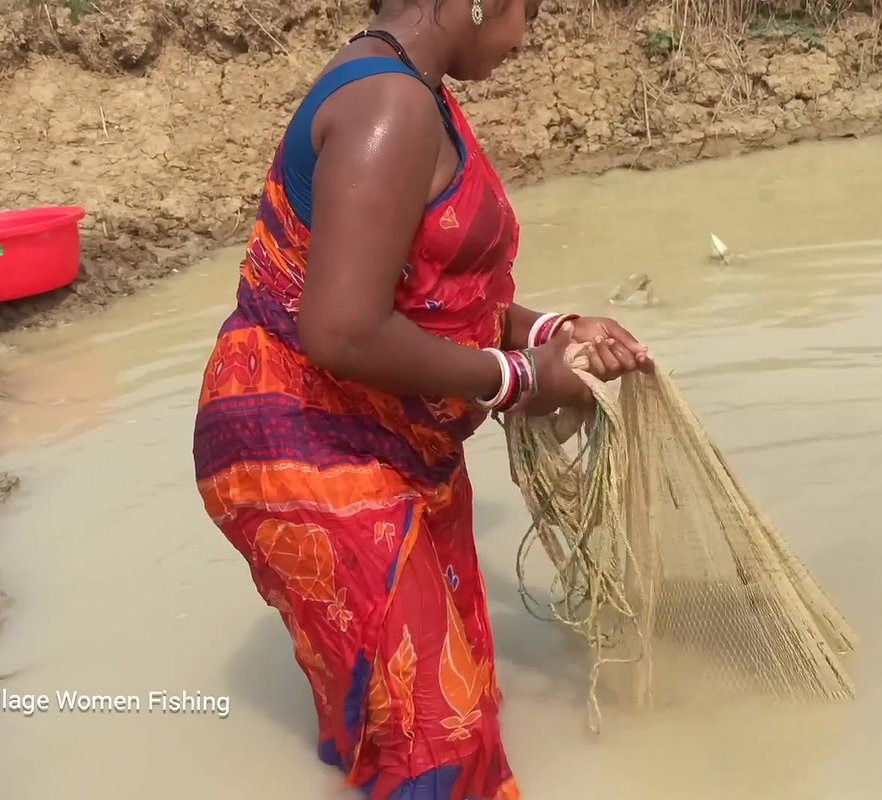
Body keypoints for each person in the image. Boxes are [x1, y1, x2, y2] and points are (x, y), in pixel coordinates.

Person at [189, 0, 651, 795]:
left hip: (384, 441)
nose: (524, 40)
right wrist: (521, 379)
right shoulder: (389, 109)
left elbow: (430, 299)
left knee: (409, 707)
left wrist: (558, 328)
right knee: (437, 734)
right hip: (307, 443)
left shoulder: (414, 93)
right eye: (527, 15)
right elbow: (341, 331)